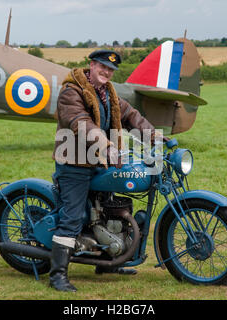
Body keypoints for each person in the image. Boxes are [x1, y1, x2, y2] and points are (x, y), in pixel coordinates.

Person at [50, 49, 161, 292]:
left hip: (101, 162)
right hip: (75, 163)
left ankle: (109, 262)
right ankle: (57, 275)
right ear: (91, 65)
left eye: (110, 69)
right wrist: (106, 145)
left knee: (112, 209)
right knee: (72, 218)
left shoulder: (108, 94)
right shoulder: (72, 92)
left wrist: (156, 137)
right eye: (102, 67)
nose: (106, 72)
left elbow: (132, 116)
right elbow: (80, 122)